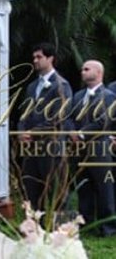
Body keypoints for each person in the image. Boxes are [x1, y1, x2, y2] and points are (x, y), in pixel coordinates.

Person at [17, 43, 72, 213]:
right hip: (32, 150)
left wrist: (32, 133)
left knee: (56, 193)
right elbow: (24, 113)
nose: (35, 61)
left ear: (51, 59)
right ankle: (35, 231)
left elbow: (58, 118)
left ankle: (59, 233)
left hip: (52, 148)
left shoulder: (62, 85)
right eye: (34, 57)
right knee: (32, 191)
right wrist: (21, 131)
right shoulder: (32, 87)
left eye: (39, 57)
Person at [67, 60, 116, 237]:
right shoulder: (78, 95)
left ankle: (108, 227)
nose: (82, 72)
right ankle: (85, 222)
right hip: (79, 150)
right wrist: (71, 131)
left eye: (86, 69)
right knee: (84, 187)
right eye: (82, 69)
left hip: (99, 148)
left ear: (98, 72)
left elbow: (102, 121)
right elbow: (70, 116)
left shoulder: (108, 95)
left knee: (104, 189)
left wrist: (80, 134)